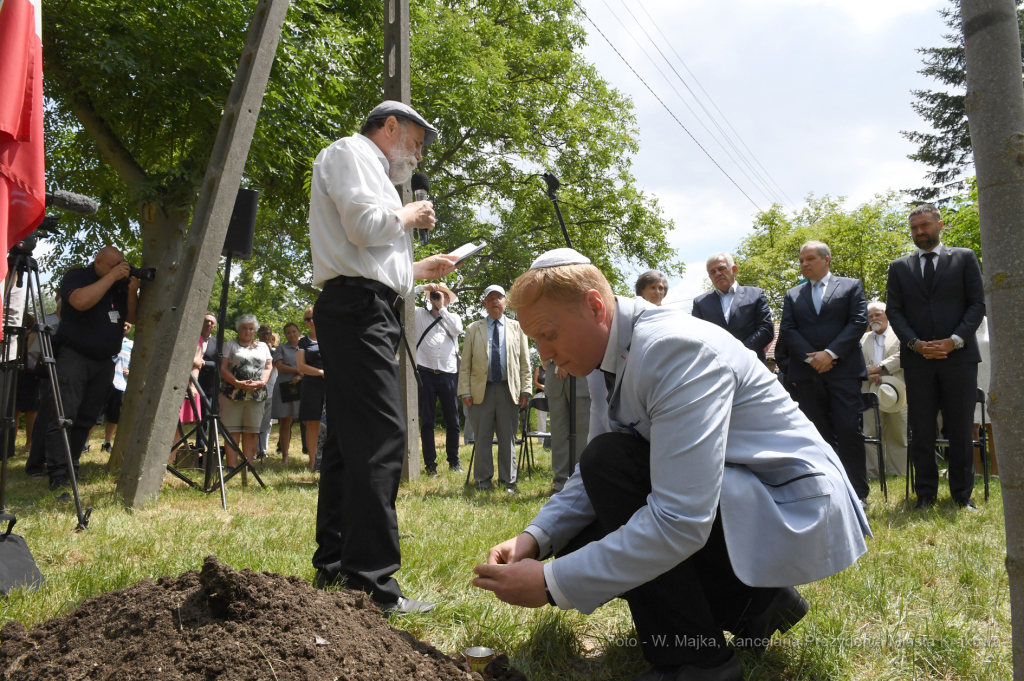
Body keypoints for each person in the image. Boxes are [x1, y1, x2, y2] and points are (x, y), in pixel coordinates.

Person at [473, 249, 869, 681]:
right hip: (740, 497)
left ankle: (697, 661)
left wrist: (550, 584)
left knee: (607, 478)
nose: (545, 355)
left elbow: (680, 519)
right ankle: (753, 605)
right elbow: (597, 476)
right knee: (578, 527)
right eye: (537, 342)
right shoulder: (605, 354)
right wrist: (535, 538)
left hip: (791, 506)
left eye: (549, 334)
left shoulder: (673, 348)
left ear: (594, 306)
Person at [307, 100, 459, 613]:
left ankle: (334, 566)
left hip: (365, 304)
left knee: (351, 444)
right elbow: (365, 228)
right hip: (358, 309)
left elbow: (366, 254)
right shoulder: (353, 153)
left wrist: (417, 269)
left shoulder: (369, 168)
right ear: (390, 127)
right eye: (416, 142)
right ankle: (373, 586)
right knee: (381, 437)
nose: (417, 156)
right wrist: (409, 214)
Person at [885, 204, 985, 510]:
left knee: (959, 428)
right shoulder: (899, 267)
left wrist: (954, 341)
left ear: (940, 225)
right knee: (922, 429)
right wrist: (915, 344)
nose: (919, 232)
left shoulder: (964, 258)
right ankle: (925, 495)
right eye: (914, 228)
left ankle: (961, 496)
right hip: (918, 361)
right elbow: (895, 312)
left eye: (925, 226)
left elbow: (977, 304)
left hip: (959, 358)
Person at [780, 241, 869, 508]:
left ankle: (857, 493)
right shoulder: (793, 294)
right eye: (801, 261)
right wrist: (812, 357)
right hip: (808, 374)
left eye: (809, 259)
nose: (804, 264)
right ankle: (828, 488)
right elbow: (788, 329)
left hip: (844, 371)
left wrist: (830, 354)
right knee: (818, 433)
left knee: (848, 429)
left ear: (826, 259)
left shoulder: (850, 286)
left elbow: (858, 321)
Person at [45, 246, 139, 490]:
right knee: (65, 415)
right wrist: (112, 277)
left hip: (104, 361)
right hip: (74, 356)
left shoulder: (118, 285)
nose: (120, 269)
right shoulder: (77, 276)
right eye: (113, 265)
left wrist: (131, 291)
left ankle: (71, 465)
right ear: (98, 262)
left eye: (122, 264)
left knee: (87, 418)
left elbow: (132, 318)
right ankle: (56, 471)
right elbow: (81, 302)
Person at [458, 285, 532, 493]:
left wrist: (525, 389)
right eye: (490, 298)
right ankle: (483, 481)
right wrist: (465, 391)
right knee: (482, 438)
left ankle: (508, 482)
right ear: (485, 304)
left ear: (505, 302)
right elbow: (465, 364)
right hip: (481, 391)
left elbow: (525, 363)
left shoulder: (518, 328)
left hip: (509, 391)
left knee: (508, 438)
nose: (494, 301)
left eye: (498, 297)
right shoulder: (474, 328)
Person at [414, 283, 464, 475]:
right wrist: (423, 286)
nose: (437, 297)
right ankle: (430, 465)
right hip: (425, 373)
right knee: (427, 421)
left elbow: (457, 330)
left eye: (443, 295)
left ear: (448, 300)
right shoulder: (419, 314)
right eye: (435, 295)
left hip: (449, 374)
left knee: (453, 420)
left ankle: (454, 461)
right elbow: (404, 297)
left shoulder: (454, 318)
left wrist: (442, 308)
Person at [690, 253, 774, 364]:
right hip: (717, 368)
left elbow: (766, 330)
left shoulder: (755, 295)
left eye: (721, 268)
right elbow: (697, 338)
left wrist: (740, 351)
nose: (718, 274)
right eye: (712, 272)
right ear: (710, 277)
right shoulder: (700, 303)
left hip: (752, 364)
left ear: (734, 270)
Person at [860, 302, 907, 478]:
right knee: (870, 431)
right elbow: (856, 362)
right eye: (870, 316)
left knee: (898, 431)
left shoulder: (900, 334)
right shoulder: (862, 339)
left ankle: (898, 472)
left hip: (896, 390)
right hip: (870, 389)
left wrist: (880, 367)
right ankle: (873, 472)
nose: (874, 319)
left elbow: (905, 355)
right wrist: (867, 373)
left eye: (878, 314)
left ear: (887, 315)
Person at [219, 314, 272, 468]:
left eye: (251, 329)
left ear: (255, 330)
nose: (248, 331)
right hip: (232, 394)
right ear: (238, 329)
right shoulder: (229, 345)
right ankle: (232, 465)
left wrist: (261, 382)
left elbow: (269, 367)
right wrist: (237, 383)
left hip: (256, 394)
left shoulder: (263, 347)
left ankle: (247, 465)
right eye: (244, 328)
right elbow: (223, 368)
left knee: (251, 430)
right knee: (232, 430)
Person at [543, 359, 590, 494]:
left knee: (582, 432)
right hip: (555, 375)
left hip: (580, 374)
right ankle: (561, 482)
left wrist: (565, 361)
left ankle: (581, 481)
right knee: (559, 433)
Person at [296, 307, 324, 473]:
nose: (311, 321)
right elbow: (301, 366)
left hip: (332, 386)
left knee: (332, 423)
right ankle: (313, 463)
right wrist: (320, 372)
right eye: (307, 319)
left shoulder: (332, 337)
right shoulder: (303, 342)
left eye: (314, 317)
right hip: (312, 386)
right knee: (313, 423)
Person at [272, 321, 302, 464]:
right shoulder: (281, 348)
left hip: (304, 386)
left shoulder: (306, 348)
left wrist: (301, 375)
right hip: (285, 388)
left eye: (293, 331)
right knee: (286, 421)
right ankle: (285, 455)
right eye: (288, 332)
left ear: (299, 332)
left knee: (309, 421)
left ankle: (313, 455)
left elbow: (311, 365)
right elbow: (280, 366)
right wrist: (297, 371)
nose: (291, 334)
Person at [100, 324, 133, 453]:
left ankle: (107, 443)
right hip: (103, 382)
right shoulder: (106, 338)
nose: (125, 328)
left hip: (120, 384)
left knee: (114, 417)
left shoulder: (131, 344)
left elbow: (135, 363)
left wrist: (130, 371)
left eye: (128, 327)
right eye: (123, 324)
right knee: (95, 414)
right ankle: (85, 443)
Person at [256, 324, 278, 462]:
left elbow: (275, 364)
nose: (265, 335)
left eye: (268, 333)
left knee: (266, 423)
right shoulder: (253, 348)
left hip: (271, 391)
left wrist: (269, 349)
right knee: (254, 422)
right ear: (257, 333)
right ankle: (251, 450)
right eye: (262, 332)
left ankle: (262, 450)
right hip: (255, 390)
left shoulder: (276, 351)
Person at [197, 312, 219, 400]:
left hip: (207, 386)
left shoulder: (217, 343)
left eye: (212, 322)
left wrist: (204, 363)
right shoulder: (192, 337)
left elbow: (219, 364)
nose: (209, 324)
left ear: (214, 327)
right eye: (207, 321)